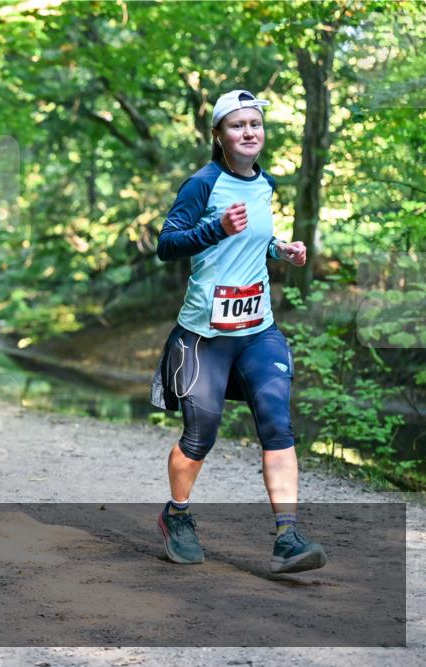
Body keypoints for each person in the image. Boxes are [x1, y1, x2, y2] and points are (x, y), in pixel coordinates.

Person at [151, 89, 325, 574]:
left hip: (257, 329)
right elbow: (167, 245)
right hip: (204, 335)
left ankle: (288, 537)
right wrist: (216, 229)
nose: (249, 132)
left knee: (277, 423)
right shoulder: (202, 184)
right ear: (218, 135)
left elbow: (253, 239)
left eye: (255, 124)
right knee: (199, 436)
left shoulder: (265, 183)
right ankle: (176, 516)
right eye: (237, 125)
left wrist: (279, 249)